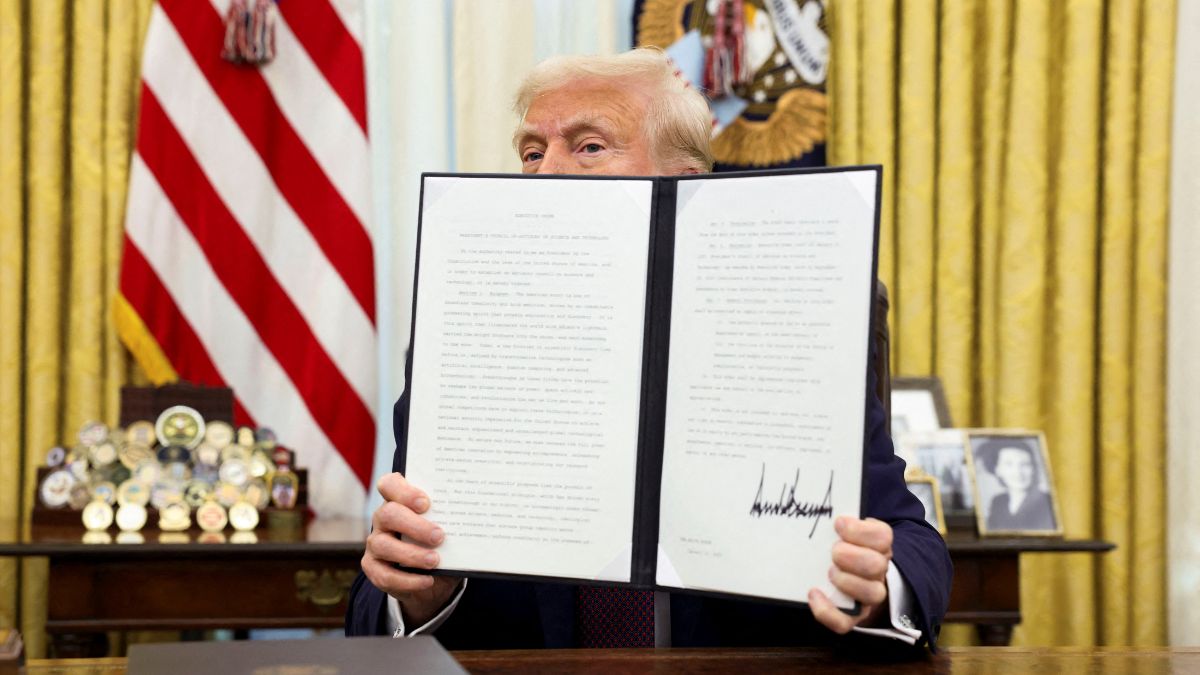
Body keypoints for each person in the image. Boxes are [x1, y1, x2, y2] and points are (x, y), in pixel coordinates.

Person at [346, 48, 952, 651]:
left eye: (589, 147)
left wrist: (878, 586)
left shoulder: (789, 339)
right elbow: (373, 605)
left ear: (683, 185)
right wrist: (418, 595)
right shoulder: (464, 353)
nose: (545, 173)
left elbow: (912, 545)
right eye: (531, 153)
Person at [977, 439, 1056, 532]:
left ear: (1033, 469)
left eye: (1025, 464)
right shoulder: (998, 502)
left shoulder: (1047, 501)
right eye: (1009, 464)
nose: (1018, 472)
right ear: (998, 470)